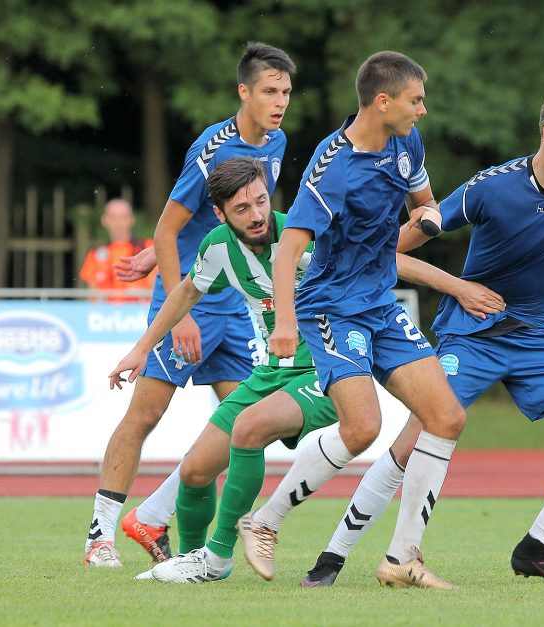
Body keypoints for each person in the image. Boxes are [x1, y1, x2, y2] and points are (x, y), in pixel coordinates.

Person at [300, 84, 544, 587]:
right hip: (471, 335)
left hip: (538, 340)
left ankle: (536, 549)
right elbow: (403, 242)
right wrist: (365, 264)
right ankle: (330, 560)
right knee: (414, 439)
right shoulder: (492, 187)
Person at [119, 158, 504, 583]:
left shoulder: (304, 235)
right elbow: (186, 293)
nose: (257, 215)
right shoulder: (217, 248)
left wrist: (458, 286)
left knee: (251, 428)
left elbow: (385, 261)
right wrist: (141, 349)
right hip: (269, 372)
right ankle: (195, 559)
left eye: (261, 201)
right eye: (242, 209)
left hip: (325, 365)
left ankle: (222, 553)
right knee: (194, 471)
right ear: (221, 214)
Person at [83, 42, 296, 568]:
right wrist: (183, 305)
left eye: (286, 92)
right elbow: (168, 228)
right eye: (270, 91)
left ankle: (154, 516)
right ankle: (99, 537)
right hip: (191, 299)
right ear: (243, 92)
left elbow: (236, 219)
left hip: (238, 303)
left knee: (244, 425)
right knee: (146, 414)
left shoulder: (278, 141)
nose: (280, 102)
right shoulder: (211, 148)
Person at [260, 51, 465, 589]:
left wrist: (430, 216)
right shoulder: (332, 167)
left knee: (446, 417)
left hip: (379, 303)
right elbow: (288, 252)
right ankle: (265, 520)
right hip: (330, 306)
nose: (423, 110)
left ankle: (401, 559)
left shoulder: (406, 142)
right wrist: (284, 324)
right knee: (362, 428)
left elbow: (424, 202)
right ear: (383, 101)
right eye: (415, 100)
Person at [79, 198, 155, 301]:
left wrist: (139, 292)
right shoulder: (95, 253)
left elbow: (157, 286)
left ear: (131, 219)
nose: (118, 223)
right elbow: (92, 295)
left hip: (140, 312)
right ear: (104, 220)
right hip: (106, 314)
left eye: (123, 218)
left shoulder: (148, 248)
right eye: (113, 218)